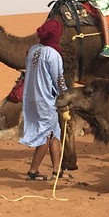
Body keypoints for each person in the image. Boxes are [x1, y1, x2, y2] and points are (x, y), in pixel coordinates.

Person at [21, 20, 67, 180]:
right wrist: (66, 97)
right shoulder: (53, 54)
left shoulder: (34, 49)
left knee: (55, 133)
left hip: (33, 98)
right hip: (46, 100)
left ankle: (57, 171)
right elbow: (59, 79)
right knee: (46, 135)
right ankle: (32, 172)